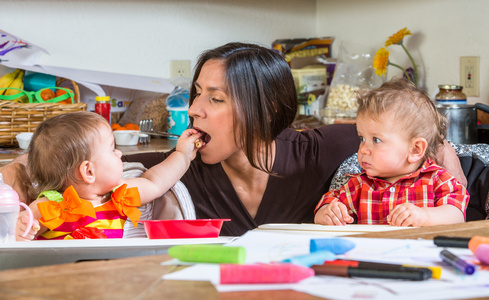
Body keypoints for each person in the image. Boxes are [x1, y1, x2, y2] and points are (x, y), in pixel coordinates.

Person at [122, 42, 467, 236]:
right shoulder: (179, 166)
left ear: (267, 109)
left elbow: (420, 141)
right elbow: (98, 172)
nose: (195, 109)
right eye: (197, 94)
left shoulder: (318, 151)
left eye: (215, 98)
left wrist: (451, 196)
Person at [15, 111, 201, 240]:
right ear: (89, 171)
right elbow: (14, 228)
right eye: (113, 149)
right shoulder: (51, 206)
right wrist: (20, 228)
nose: (119, 154)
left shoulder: (120, 193)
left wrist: (182, 155)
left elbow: (155, 182)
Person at [314, 78, 470, 227]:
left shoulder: (439, 180)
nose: (363, 149)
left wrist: (424, 216)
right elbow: (326, 206)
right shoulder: (359, 185)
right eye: (362, 138)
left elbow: (457, 216)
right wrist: (328, 213)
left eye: (376, 140)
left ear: (415, 149)